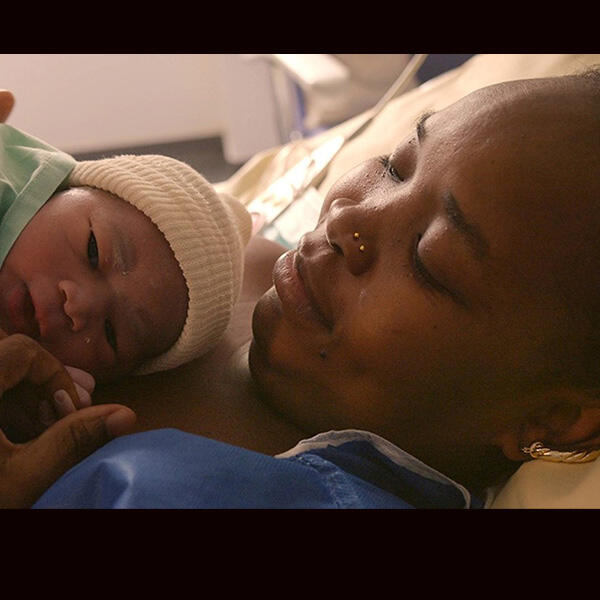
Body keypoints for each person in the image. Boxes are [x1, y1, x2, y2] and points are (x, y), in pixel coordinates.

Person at [30, 69, 600, 508]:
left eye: (430, 258)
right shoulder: (244, 260)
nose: (348, 219)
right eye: (395, 167)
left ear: (551, 419)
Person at [0, 93, 252, 443]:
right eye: (92, 251)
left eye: (111, 334)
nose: (79, 305)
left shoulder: (43, 380)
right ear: (66, 189)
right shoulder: (7, 170)